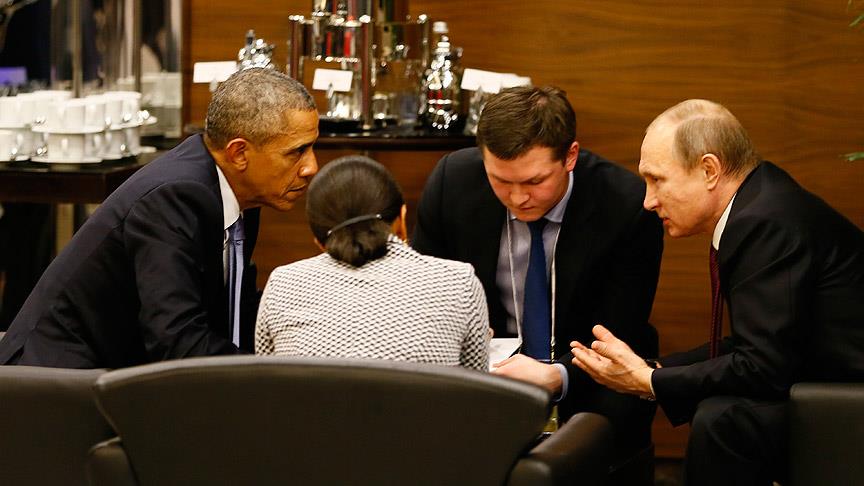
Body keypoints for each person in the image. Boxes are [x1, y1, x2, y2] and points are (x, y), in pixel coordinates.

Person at [570, 99, 864, 485]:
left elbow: (762, 364)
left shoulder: (763, 221)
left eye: (657, 180)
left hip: (845, 394)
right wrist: (653, 368)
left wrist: (648, 382)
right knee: (719, 413)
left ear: (709, 170)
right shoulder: (759, 201)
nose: (648, 200)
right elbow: (759, 344)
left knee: (721, 420)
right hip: (818, 378)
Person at [0, 68, 319, 368]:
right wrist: (266, 377)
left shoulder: (243, 193)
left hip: (116, 375)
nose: (311, 167)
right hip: (55, 379)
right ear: (239, 153)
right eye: (297, 152)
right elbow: (177, 341)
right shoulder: (175, 197)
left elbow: (235, 311)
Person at [412, 86, 664, 462]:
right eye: (501, 180)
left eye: (534, 182)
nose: (518, 198)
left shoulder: (625, 205)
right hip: (485, 372)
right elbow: (424, 296)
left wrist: (557, 374)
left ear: (570, 156)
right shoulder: (453, 182)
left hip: (590, 372)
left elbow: (619, 330)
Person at [256, 155, 490, 371]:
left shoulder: (281, 284)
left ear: (320, 243)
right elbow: (476, 386)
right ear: (402, 219)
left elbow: (268, 382)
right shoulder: (459, 281)